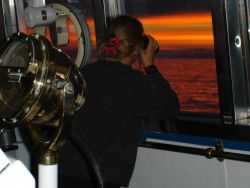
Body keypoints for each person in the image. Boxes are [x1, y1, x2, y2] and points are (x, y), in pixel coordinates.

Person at [58, 15, 180, 188]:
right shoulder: (133, 82)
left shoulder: (82, 74)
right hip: (100, 178)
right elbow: (170, 107)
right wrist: (150, 66)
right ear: (137, 48)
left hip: (63, 171)